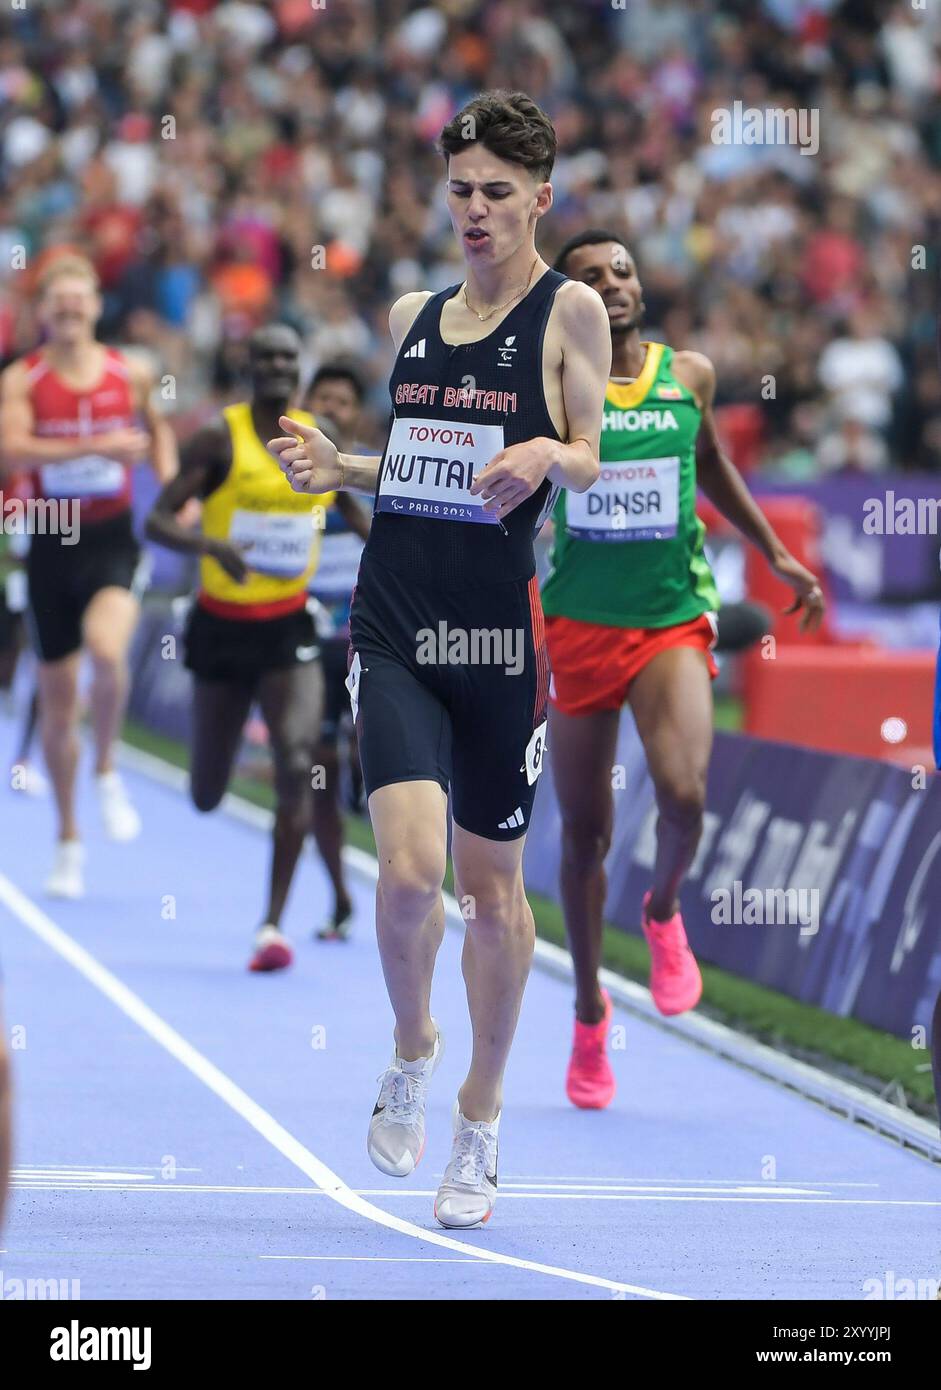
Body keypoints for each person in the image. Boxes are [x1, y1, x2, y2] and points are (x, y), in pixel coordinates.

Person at [270, 91, 611, 1228]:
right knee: (410, 874)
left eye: (496, 195)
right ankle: (413, 1039)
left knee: (490, 891)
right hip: (398, 618)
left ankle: (479, 1110)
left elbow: (591, 464)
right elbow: (422, 461)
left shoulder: (569, 316)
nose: (473, 211)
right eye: (460, 190)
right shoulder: (416, 309)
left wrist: (542, 453)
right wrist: (341, 466)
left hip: (501, 639)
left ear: (540, 199)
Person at [541, 231, 825, 1109]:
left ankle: (663, 910)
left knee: (685, 795)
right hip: (580, 629)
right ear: (570, 302)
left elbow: (711, 466)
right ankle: (590, 1014)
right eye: (588, 277)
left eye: (619, 270)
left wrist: (775, 553)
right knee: (583, 836)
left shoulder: (687, 375)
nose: (610, 284)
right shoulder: (552, 394)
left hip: (669, 620)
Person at [146, 324, 337, 972]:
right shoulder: (217, 437)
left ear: (299, 367)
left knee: (295, 755)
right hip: (221, 626)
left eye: (290, 355)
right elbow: (157, 519)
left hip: (289, 627)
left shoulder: (318, 440)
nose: (280, 365)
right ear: (249, 367)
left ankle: (271, 926)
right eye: (267, 357)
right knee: (204, 791)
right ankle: (224, 768)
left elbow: (370, 518)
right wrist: (211, 547)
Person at [0, 254, 177, 898]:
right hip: (50, 541)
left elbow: (159, 435)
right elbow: (12, 449)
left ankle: (106, 767)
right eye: (59, 303)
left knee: (108, 649)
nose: (70, 311)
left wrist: (171, 493)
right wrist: (93, 448)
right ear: (44, 313)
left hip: (108, 539)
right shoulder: (24, 379)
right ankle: (68, 838)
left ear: (96, 306)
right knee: (55, 701)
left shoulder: (131, 372)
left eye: (80, 300)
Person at [304, 364, 372, 941]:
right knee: (315, 772)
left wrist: (343, 491)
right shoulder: (285, 473)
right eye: (321, 399)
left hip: (369, 636)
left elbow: (390, 541)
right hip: (304, 640)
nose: (332, 409)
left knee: (367, 765)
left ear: (356, 414)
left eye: (342, 401)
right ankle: (340, 894)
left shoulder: (378, 468)